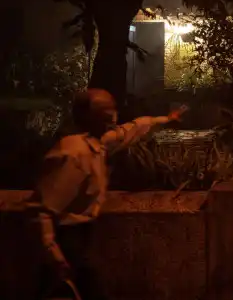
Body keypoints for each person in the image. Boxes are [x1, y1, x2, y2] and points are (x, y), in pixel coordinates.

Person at [29, 89, 185, 300]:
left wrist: (166, 119)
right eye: (104, 111)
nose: (112, 115)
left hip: (81, 237)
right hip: (66, 239)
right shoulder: (73, 153)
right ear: (87, 116)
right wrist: (54, 254)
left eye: (112, 109)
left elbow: (132, 129)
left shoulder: (98, 143)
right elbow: (45, 208)